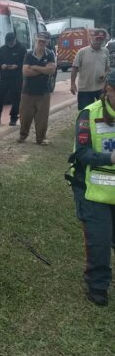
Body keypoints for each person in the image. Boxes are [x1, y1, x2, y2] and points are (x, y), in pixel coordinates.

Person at [68, 70, 115, 306]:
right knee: (100, 241)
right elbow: (82, 152)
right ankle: (98, 284)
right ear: (109, 90)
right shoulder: (89, 114)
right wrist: (110, 158)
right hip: (94, 192)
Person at [19, 32, 56, 145]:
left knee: (42, 117)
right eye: (39, 40)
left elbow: (51, 70)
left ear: (47, 42)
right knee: (25, 115)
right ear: (36, 40)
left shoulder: (50, 54)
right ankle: (22, 136)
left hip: (44, 91)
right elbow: (25, 72)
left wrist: (35, 67)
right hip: (27, 91)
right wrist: (43, 70)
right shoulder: (29, 54)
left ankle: (41, 138)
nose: (41, 43)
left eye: (43, 41)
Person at [70, 28, 110, 110]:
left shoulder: (105, 51)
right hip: (85, 89)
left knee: (104, 111)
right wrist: (72, 84)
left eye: (101, 39)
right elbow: (74, 68)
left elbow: (108, 68)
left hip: (101, 89)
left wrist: (104, 75)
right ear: (92, 38)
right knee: (85, 113)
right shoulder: (82, 52)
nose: (99, 41)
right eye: (97, 39)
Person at [0, 32, 26, 126]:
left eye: (11, 42)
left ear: (15, 39)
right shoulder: (2, 49)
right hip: (4, 77)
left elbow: (25, 62)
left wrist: (17, 66)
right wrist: (2, 65)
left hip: (16, 77)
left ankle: (13, 117)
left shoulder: (21, 49)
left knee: (16, 98)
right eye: (8, 42)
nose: (9, 44)